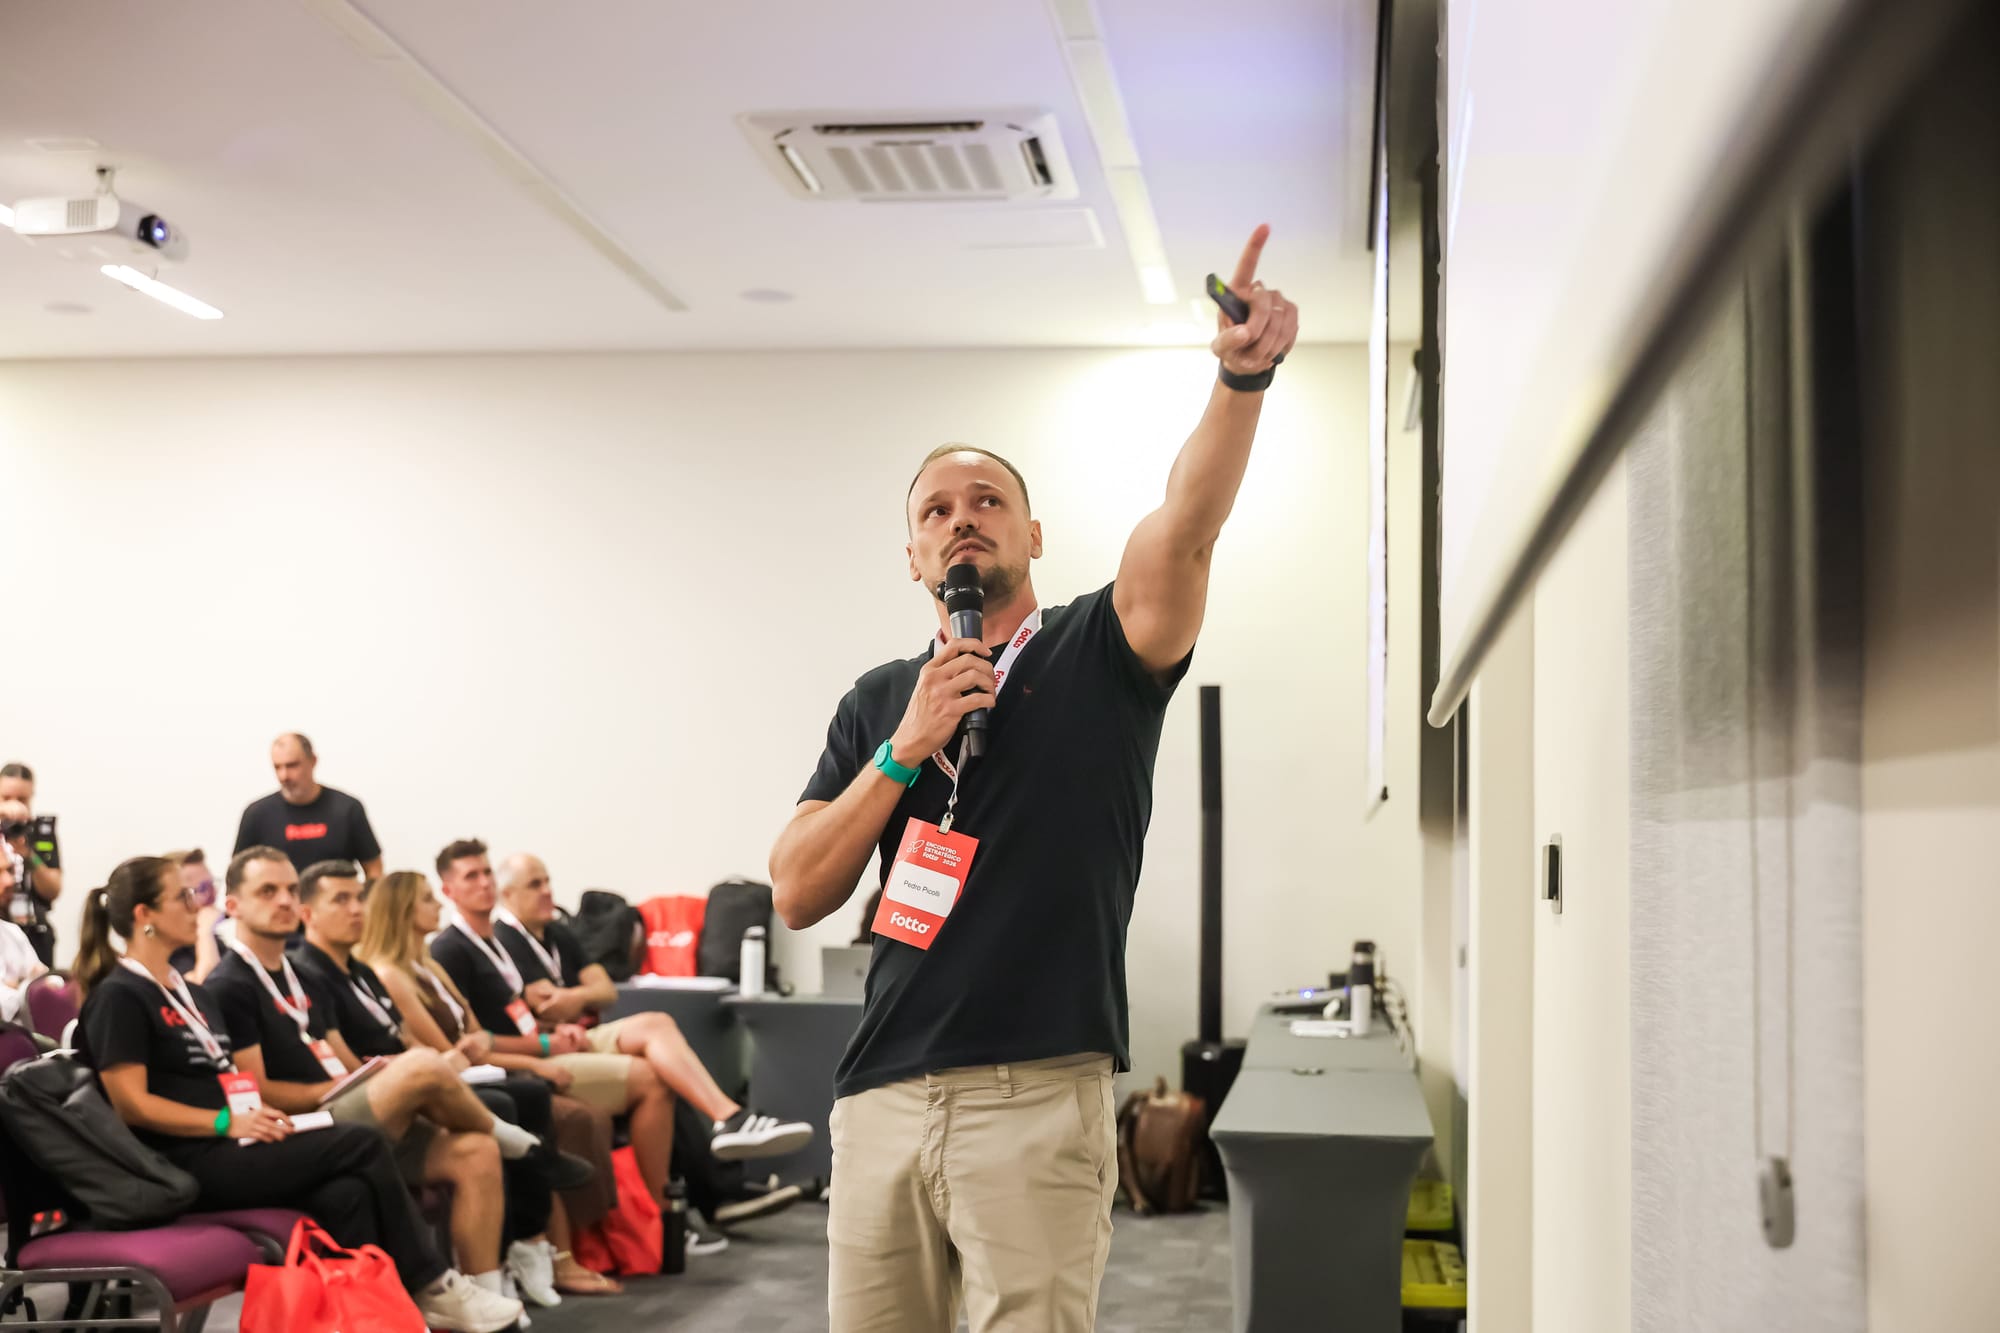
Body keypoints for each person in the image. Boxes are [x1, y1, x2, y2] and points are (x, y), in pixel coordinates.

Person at [767, 227, 1297, 1332]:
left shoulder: (1098, 650)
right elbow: (797, 887)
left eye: (986, 500)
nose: (961, 517)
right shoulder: (878, 699)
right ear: (912, 558)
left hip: (1035, 1092)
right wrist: (901, 748)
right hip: (879, 1099)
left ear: (1032, 534)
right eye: (934, 510)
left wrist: (1239, 378)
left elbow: (1186, 527)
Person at [70, 855, 522, 1333]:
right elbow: (131, 1105)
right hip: (180, 1160)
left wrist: (250, 1114)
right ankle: (432, 1285)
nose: (196, 908)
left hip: (232, 1140)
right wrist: (226, 1122)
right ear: (145, 916)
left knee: (346, 1193)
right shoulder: (120, 996)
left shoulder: (191, 993)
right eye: (183, 897)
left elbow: (224, 1079)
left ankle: (380, 1318)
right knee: (359, 1141)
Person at [207, 847, 530, 1309]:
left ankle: (487, 1299)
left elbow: (341, 1058)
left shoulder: (300, 976)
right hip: (306, 1122)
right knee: (422, 1066)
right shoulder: (230, 984)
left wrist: (369, 1077)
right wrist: (356, 1084)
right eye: (267, 891)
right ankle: (496, 1131)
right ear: (233, 906)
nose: (284, 901)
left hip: (343, 1104)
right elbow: (254, 1091)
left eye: (290, 890)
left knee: (473, 1152)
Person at [291, 859, 592, 1309]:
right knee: (501, 1096)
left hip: (402, 1091)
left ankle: (492, 1294)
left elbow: (453, 1037)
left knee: (481, 1146)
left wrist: (437, 1058)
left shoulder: (366, 971)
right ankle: (530, 1162)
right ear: (308, 913)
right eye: (342, 900)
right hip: (348, 1111)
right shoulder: (312, 972)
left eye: (359, 898)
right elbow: (347, 1070)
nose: (357, 909)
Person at [360, 869, 630, 1294]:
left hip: (470, 1066)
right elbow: (442, 1048)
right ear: (403, 911)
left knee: (528, 1095)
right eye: (428, 898)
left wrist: (502, 1049)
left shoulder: (428, 964)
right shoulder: (391, 973)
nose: (438, 906)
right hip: (443, 1076)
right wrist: (534, 1054)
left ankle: (530, 1239)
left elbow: (476, 1036)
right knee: (511, 1101)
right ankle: (515, 1245)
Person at [493, 851, 813, 1164]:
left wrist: (572, 998)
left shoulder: (558, 932)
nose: (547, 891)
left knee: (657, 1023)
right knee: (656, 1076)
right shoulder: (503, 941)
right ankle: (664, 1205)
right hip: (549, 1045)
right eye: (535, 885)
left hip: (581, 1035)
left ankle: (728, 1116)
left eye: (547, 881)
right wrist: (564, 1013)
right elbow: (534, 1013)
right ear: (508, 894)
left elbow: (605, 991)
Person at [430, 840, 681, 1227]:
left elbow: (592, 995)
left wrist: (555, 1023)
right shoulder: (450, 949)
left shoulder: (498, 942)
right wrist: (544, 1047)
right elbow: (474, 1043)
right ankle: (657, 1217)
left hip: (547, 1045)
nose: (484, 883)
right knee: (649, 1076)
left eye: (486, 873)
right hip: (521, 1063)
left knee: (659, 1032)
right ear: (447, 891)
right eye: (471, 876)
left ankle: (682, 1190)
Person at [232, 733, 384, 878]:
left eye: (292, 765)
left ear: (313, 761)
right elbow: (237, 875)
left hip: (335, 902)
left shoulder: (347, 809)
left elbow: (374, 869)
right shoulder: (257, 814)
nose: (284, 776)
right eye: (277, 767)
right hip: (279, 904)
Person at [1, 761, 62, 965]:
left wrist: (27, 853)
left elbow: (53, 889)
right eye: (7, 798)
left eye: (22, 799)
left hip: (35, 932)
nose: (15, 804)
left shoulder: (39, 833)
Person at [0, 852, 48, 1023]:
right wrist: (27, 985)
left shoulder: (13, 933)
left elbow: (49, 988)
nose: (9, 881)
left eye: (9, 871)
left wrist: (16, 985)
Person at [163, 849, 224, 982]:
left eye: (212, 884)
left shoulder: (214, 943)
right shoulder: (166, 951)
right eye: (203, 889)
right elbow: (205, 986)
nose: (212, 895)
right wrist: (205, 932)